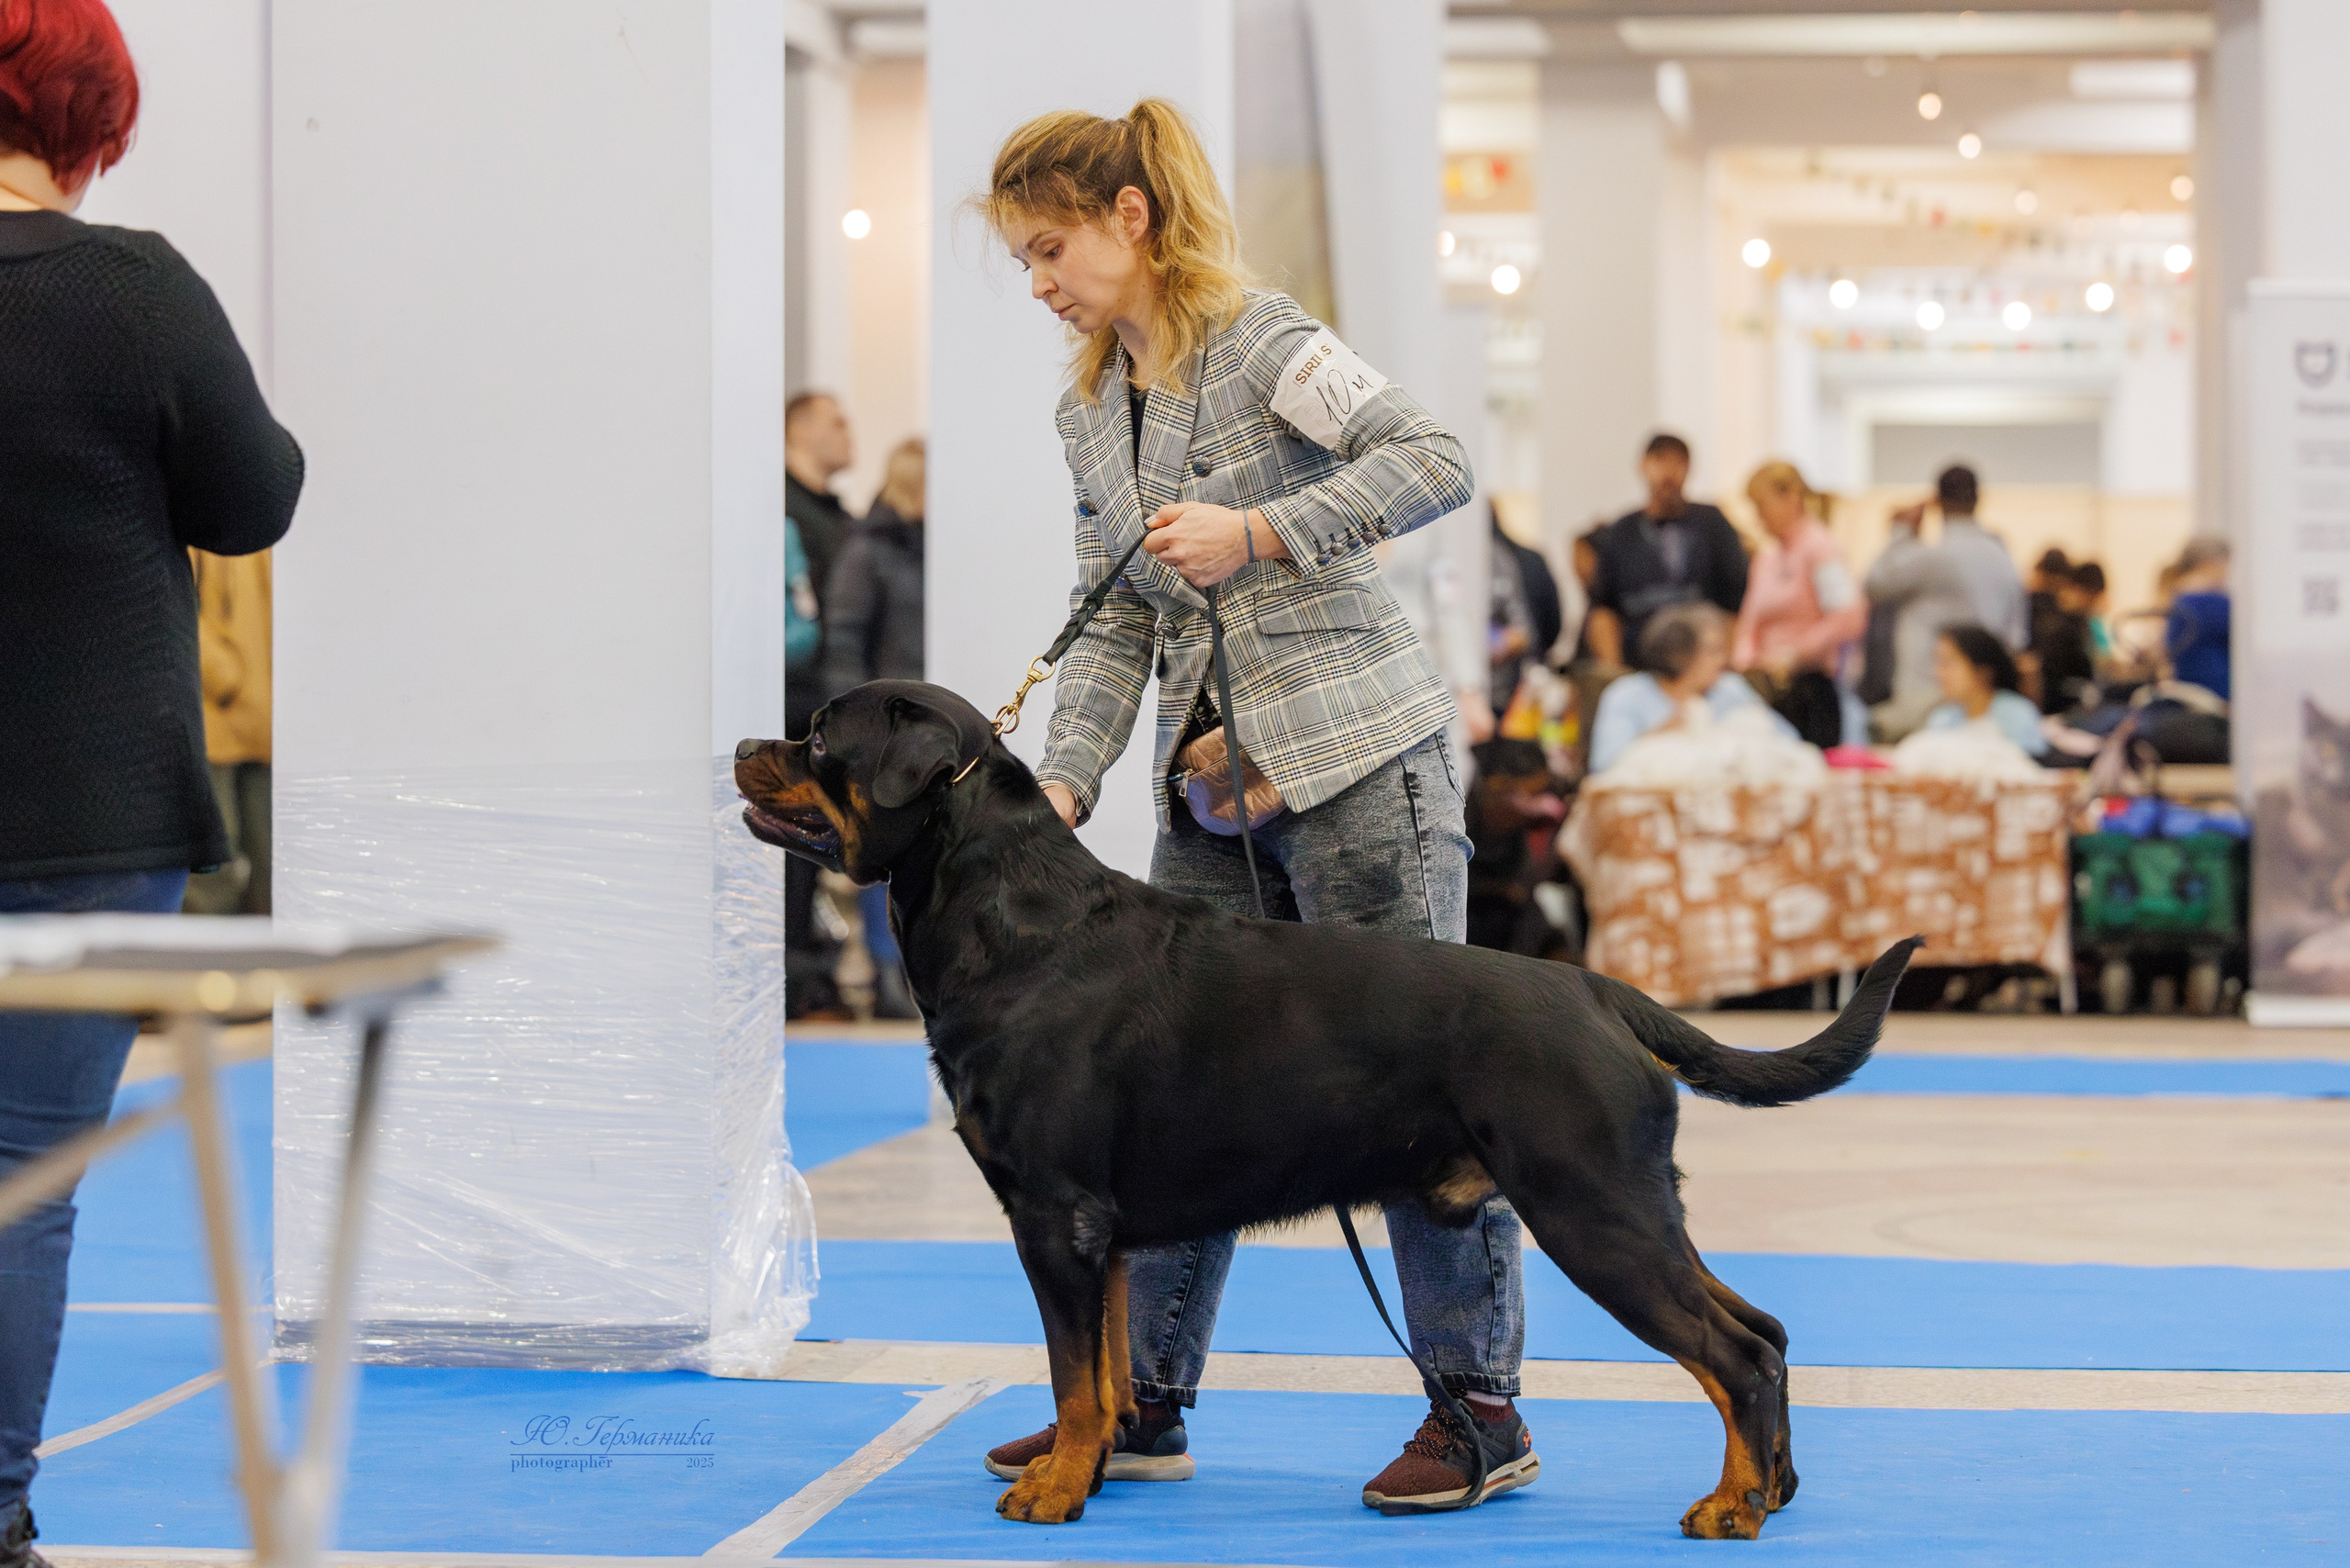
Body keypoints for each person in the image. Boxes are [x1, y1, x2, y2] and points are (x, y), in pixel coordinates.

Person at [979, 98, 1533, 1510]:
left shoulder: (1269, 341)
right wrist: (1062, 776)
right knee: (1160, 1098)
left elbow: (1436, 462)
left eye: (1050, 249)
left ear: (1130, 218)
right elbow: (1104, 621)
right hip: (1207, 797)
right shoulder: (1087, 407)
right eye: (1021, 262)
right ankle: (1143, 1401)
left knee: (1433, 1093)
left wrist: (1262, 530)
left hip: (1361, 768)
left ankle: (1478, 1409)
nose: (1038, 283)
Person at [0, 6, 305, 1560]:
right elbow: (254, 500)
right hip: (84, 806)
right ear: (87, 113)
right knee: (24, 1176)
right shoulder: (132, 291)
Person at [821, 436, 927, 1021]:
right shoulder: (868, 550)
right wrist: (854, 732)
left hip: (930, 732)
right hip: (884, 735)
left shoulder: (932, 549)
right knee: (885, 855)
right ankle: (889, 972)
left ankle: (913, 967)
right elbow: (844, 639)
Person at [783, 389, 857, 1021]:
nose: (848, 433)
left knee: (813, 858)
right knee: (789, 856)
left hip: (825, 707)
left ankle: (808, 973)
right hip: (791, 708)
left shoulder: (835, 514)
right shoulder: (783, 510)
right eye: (836, 422)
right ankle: (792, 975)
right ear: (800, 429)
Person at [1863, 465, 2027, 739]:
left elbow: (1874, 584)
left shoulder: (1935, 557)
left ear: (1936, 501)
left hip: (1929, 702)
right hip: (1987, 704)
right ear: (1979, 498)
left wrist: (1902, 532)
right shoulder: (2003, 559)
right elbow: (2017, 637)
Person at [1583, 432, 1750, 670]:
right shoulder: (1622, 533)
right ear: (1642, 466)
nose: (1668, 473)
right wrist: (1615, 674)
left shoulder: (1712, 525)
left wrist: (1721, 666)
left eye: (1678, 463)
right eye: (1660, 461)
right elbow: (1603, 612)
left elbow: (1736, 603)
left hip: (1702, 664)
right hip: (1639, 664)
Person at [1731, 460, 1863, 748]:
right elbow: (1749, 623)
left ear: (1791, 498)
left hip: (1809, 692)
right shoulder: (1767, 558)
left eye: (1762, 507)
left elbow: (1848, 617)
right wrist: (1745, 670)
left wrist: (1794, 655)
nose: (1759, 518)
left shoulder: (1821, 547)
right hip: (1765, 692)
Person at [1589, 602, 1796, 774]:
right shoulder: (1626, 694)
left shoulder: (1730, 689)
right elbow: (1603, 766)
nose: (1722, 660)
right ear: (1678, 654)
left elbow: (1790, 741)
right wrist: (1663, 734)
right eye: (1712, 651)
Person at [183, 548, 274, 913]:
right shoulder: (201, 531)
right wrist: (226, 678)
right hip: (216, 723)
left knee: (271, 861)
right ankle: (201, 966)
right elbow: (178, 609)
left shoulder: (266, 535)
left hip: (263, 724)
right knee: (213, 868)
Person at [1923, 624, 2049, 757]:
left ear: (1982, 670)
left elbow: (2031, 767)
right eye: (1937, 662)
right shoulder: (1942, 718)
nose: (1938, 673)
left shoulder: (2017, 714)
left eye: (1948, 663)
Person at [2165, 538, 2231, 701]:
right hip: (2213, 694)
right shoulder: (2214, 602)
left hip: (2185, 689)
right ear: (2208, 564)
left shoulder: (2179, 598)